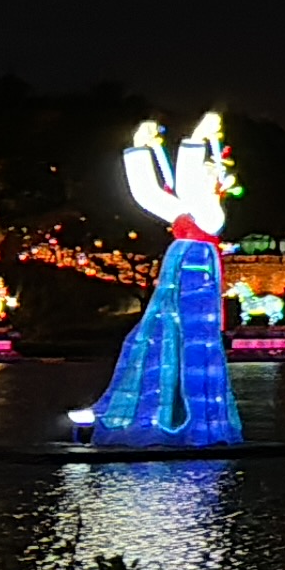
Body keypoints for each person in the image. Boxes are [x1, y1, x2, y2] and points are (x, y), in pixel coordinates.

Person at [86, 114, 246, 447]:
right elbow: (147, 194)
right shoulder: (186, 214)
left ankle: (189, 419)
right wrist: (138, 149)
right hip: (178, 272)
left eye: (209, 173)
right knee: (155, 335)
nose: (204, 176)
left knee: (190, 341)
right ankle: (135, 409)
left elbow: (188, 185)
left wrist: (197, 139)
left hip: (197, 277)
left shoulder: (210, 215)